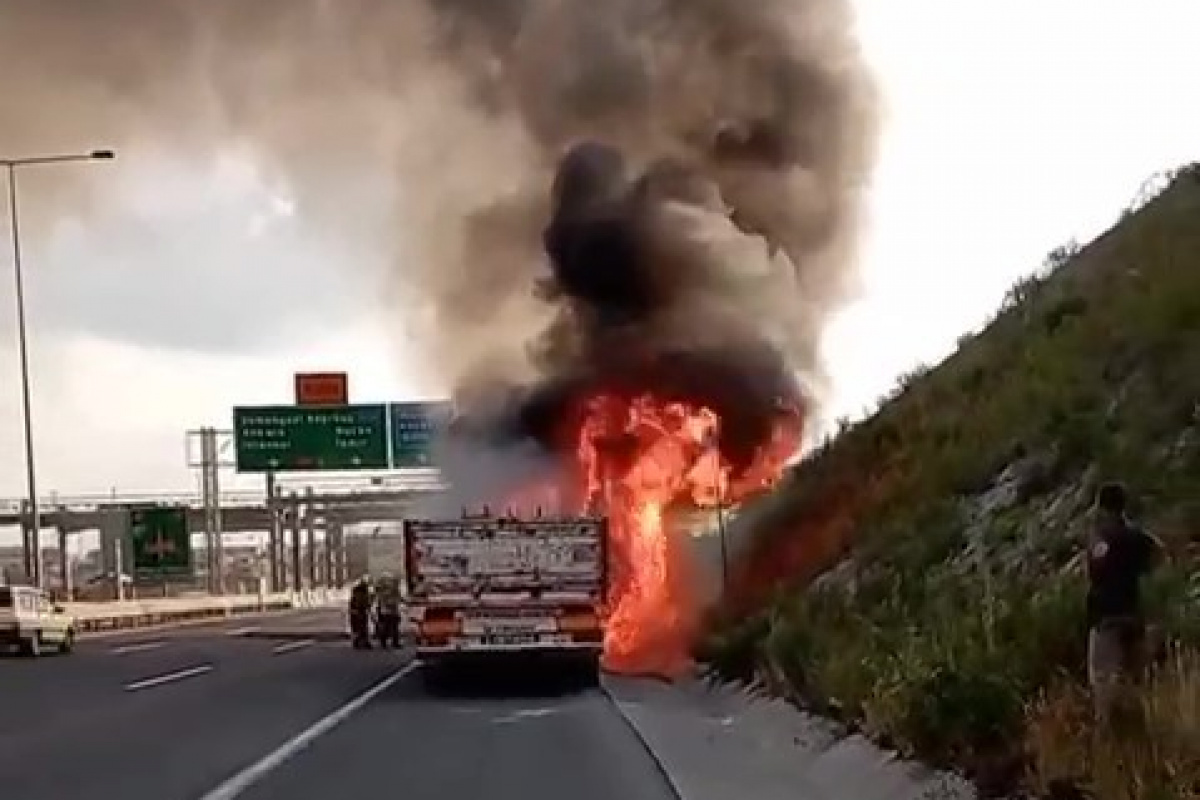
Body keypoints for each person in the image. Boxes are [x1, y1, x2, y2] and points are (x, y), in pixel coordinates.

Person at [1084, 481, 1164, 724]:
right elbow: (1158, 554)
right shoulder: (1138, 536)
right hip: (1133, 614)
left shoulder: (1101, 537)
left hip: (1107, 618)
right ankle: (1140, 745)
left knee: (1104, 683)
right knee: (1133, 684)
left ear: (1101, 507)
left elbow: (1095, 569)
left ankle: (1109, 744)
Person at [374, 573, 402, 649]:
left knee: (394, 627)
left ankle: (394, 642)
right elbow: (385, 600)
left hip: (392, 611)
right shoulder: (386, 591)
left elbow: (398, 598)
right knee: (387, 627)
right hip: (387, 611)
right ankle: (385, 642)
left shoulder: (394, 590)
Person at [349, 577, 373, 649]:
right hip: (360, 611)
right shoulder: (363, 593)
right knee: (363, 627)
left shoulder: (356, 592)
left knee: (356, 628)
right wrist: (368, 607)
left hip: (355, 611)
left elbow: (353, 602)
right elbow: (364, 602)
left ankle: (357, 642)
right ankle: (364, 642)